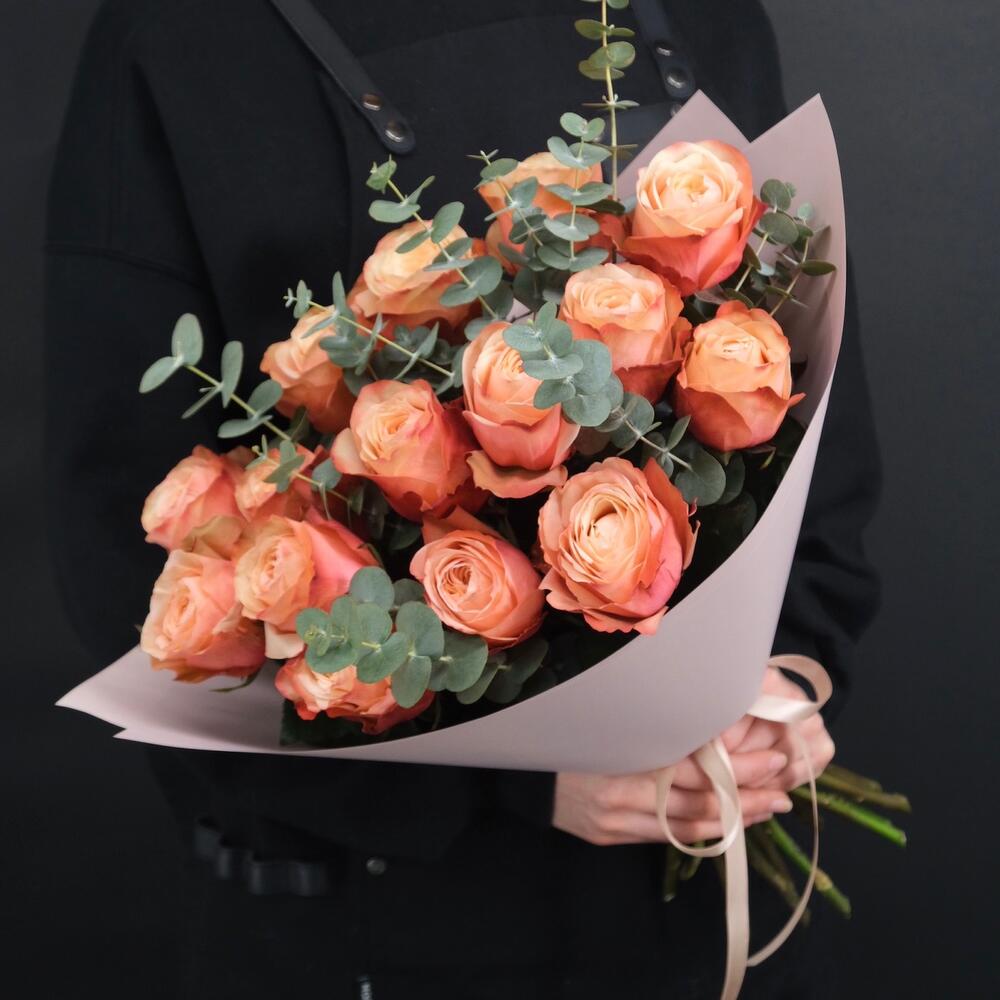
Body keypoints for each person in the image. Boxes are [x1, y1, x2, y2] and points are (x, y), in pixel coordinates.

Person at [44, 1, 880, 997]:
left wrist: (777, 686)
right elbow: (128, 548)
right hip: (381, 925)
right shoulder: (179, 38)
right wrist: (505, 784)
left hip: (708, 892)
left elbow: (814, 411)